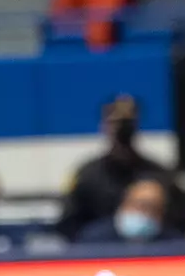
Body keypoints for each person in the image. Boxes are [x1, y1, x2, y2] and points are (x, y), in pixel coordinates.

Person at [58, 97, 178, 240]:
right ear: (104, 126)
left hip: (152, 252)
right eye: (115, 122)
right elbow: (68, 225)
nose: (121, 129)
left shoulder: (158, 174)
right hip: (97, 251)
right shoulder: (87, 176)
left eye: (127, 123)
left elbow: (176, 222)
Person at [76, 179, 176, 244]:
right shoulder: (94, 237)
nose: (142, 212)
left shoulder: (172, 243)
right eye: (138, 204)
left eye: (152, 208)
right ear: (124, 203)